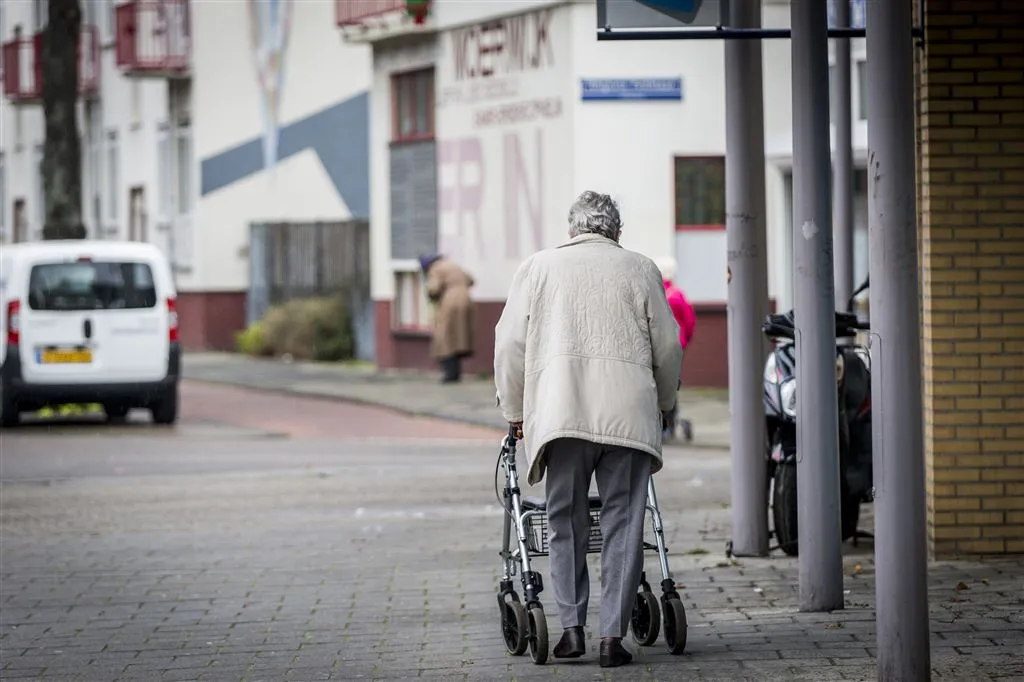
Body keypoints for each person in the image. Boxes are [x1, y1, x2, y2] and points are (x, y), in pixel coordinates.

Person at [494, 191, 683, 668]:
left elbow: (509, 346)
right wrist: (663, 403)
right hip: (628, 416)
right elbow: (668, 346)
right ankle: (612, 639)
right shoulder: (641, 269)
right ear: (616, 231)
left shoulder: (537, 268)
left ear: (572, 230)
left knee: (565, 521)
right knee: (623, 522)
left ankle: (572, 627)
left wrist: (515, 411)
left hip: (562, 416)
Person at [654, 256, 696, 440]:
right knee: (671, 383)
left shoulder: (655, 294)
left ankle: (664, 424)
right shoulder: (677, 295)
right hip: (676, 348)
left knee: (659, 383)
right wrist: (684, 341)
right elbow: (690, 321)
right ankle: (669, 423)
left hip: (657, 346)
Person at [419, 254, 475, 383]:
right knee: (459, 337)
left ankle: (450, 374)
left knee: (445, 338)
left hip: (450, 301)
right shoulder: (453, 265)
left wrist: (430, 294)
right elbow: (471, 280)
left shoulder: (436, 268)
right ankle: (456, 373)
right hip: (466, 299)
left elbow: (434, 288)